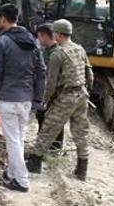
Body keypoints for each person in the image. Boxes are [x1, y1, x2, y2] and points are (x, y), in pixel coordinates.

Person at [27, 19, 94, 181]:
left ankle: (35, 162)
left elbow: (51, 83)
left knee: (48, 128)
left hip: (66, 97)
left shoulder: (57, 54)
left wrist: (45, 100)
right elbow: (89, 74)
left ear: (57, 34)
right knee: (81, 133)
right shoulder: (80, 49)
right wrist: (87, 90)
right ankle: (81, 169)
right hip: (82, 95)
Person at [0, 3, 46, 192]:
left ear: (4, 19)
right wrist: (37, 97)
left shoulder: (2, 42)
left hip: (8, 98)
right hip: (26, 100)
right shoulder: (32, 40)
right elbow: (41, 71)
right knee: (19, 138)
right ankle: (11, 175)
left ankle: (22, 180)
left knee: (12, 140)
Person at [34, 23, 64, 151]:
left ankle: (53, 147)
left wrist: (46, 97)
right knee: (42, 117)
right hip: (47, 91)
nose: (39, 40)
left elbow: (52, 77)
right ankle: (45, 145)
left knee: (53, 120)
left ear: (45, 36)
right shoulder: (47, 51)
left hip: (53, 93)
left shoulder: (55, 53)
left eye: (39, 37)